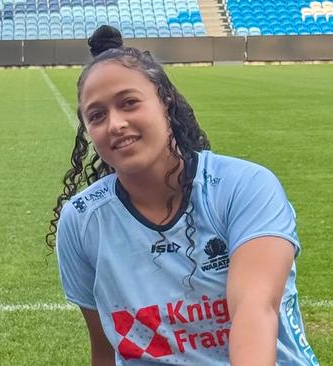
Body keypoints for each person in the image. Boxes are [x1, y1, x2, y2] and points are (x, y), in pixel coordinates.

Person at [47, 25, 319, 365]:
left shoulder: (245, 187)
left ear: (166, 102)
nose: (114, 124)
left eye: (129, 103)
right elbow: (105, 347)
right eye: (97, 115)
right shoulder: (82, 220)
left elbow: (255, 313)